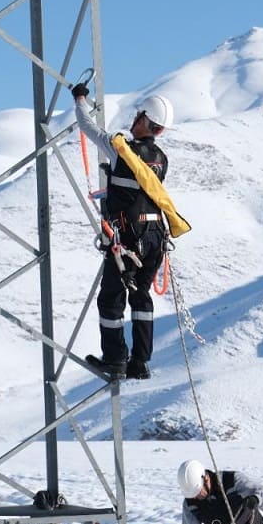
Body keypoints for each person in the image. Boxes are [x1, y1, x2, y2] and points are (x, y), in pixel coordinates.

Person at [70, 81, 174, 380]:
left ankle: (115, 360)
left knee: (112, 298)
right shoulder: (161, 159)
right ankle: (140, 362)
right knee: (141, 296)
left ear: (143, 120)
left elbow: (87, 127)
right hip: (155, 236)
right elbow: (138, 192)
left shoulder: (122, 150)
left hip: (128, 238)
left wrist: (80, 98)